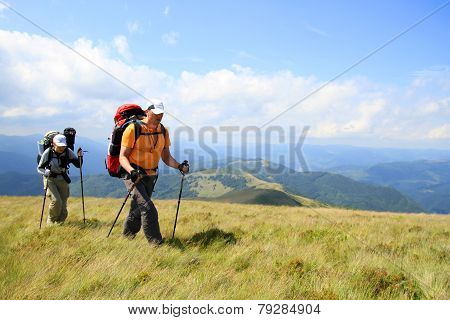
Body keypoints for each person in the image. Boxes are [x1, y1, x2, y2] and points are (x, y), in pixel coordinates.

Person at [119, 100, 189, 245]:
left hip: (150, 176)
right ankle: (157, 245)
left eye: (161, 114)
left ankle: (126, 238)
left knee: (138, 209)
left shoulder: (163, 131)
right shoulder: (133, 129)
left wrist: (179, 166)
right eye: (156, 113)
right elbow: (122, 156)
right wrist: (132, 171)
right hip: (133, 175)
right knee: (148, 208)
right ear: (147, 112)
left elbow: (166, 157)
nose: (159, 116)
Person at [37, 134, 82, 225]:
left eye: (63, 146)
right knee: (56, 201)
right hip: (50, 179)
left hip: (62, 178)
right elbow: (39, 168)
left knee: (63, 202)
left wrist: (80, 157)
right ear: (53, 144)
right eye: (60, 146)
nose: (62, 148)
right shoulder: (48, 152)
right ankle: (51, 221)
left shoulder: (68, 152)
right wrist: (46, 172)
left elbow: (78, 165)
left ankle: (60, 222)